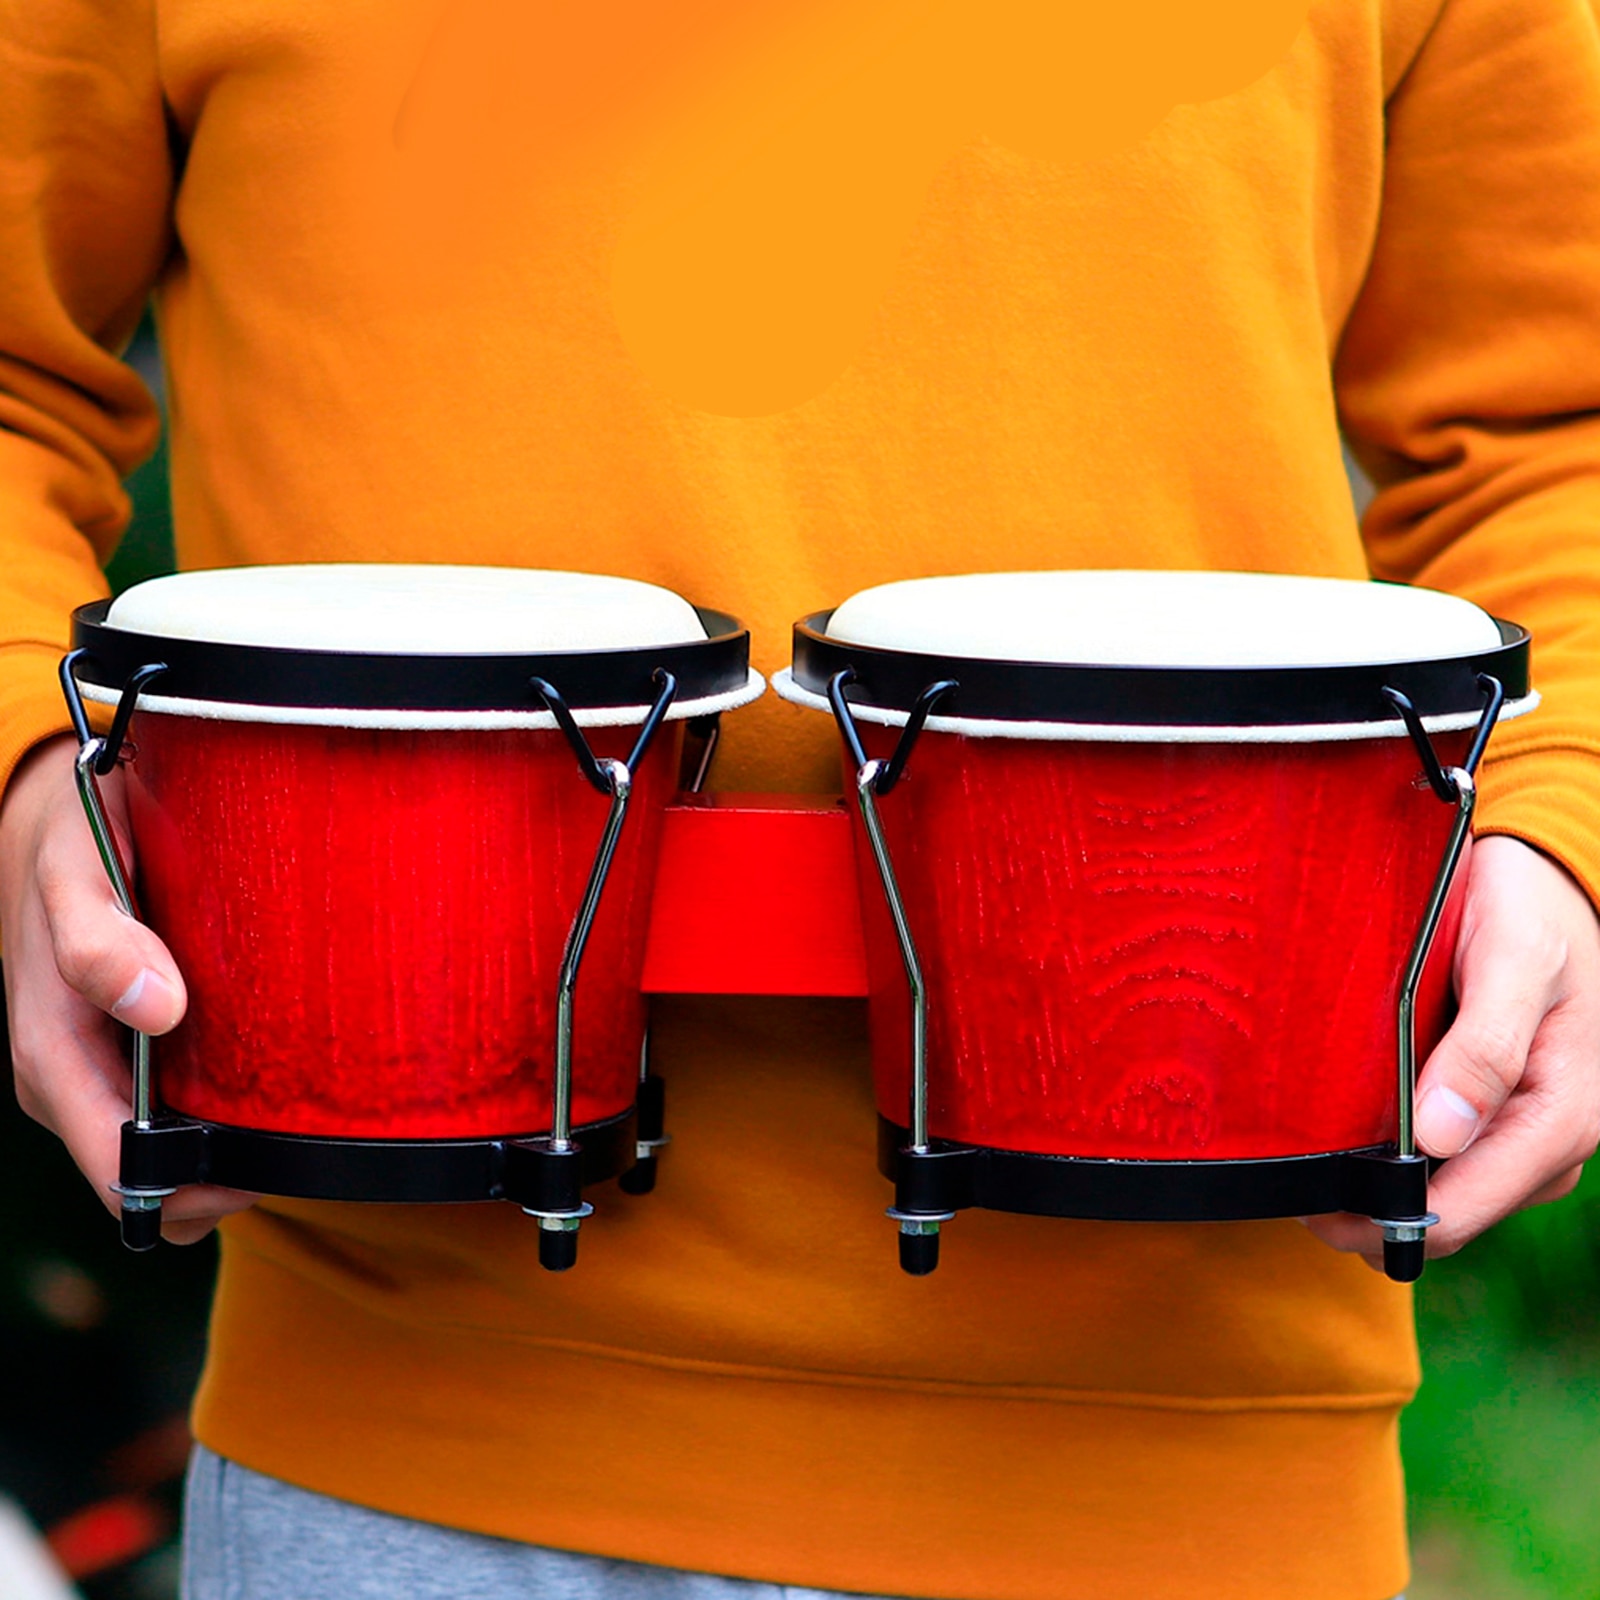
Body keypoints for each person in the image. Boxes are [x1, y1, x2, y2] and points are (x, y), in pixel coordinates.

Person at [3, 2, 1600, 1596]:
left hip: (1191, 1412)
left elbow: (1556, 436)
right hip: (393, 1428)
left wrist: (1560, 811)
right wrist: (27, 762)